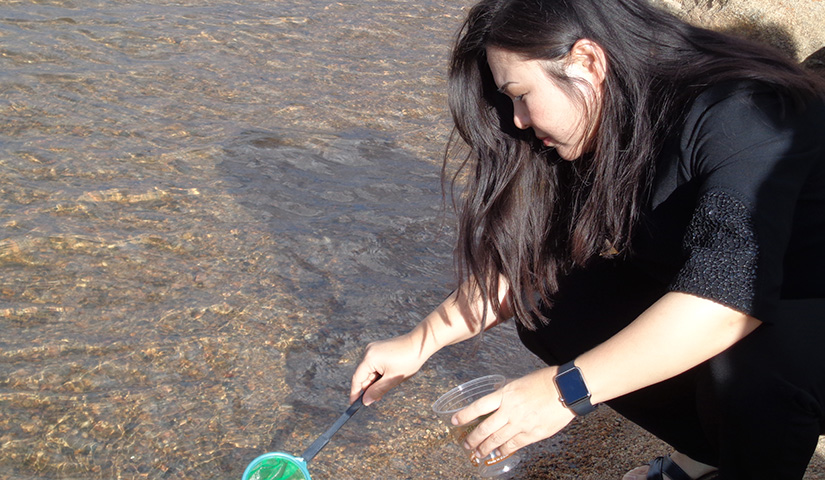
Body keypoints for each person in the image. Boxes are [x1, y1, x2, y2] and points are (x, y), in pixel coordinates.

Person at [349, 0, 825, 478]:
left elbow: (729, 296)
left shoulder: (740, 111)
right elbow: (529, 263)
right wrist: (417, 343)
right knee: (547, 304)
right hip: (752, 304)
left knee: (753, 368)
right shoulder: (609, 120)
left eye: (519, 94)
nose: (516, 120)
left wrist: (563, 392)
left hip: (797, 312)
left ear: (586, 62)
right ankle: (714, 452)